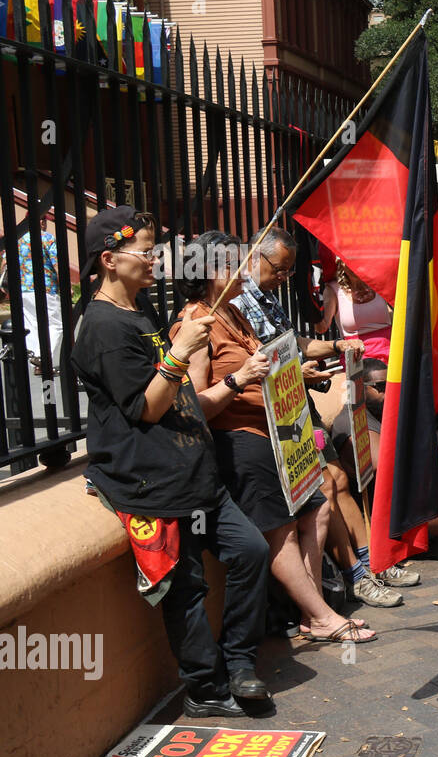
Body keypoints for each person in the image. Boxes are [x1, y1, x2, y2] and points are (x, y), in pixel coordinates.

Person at [71, 208, 272, 718]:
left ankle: (240, 661)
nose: (155, 259)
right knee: (185, 587)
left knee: (249, 550)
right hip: (151, 484)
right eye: (145, 251)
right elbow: (146, 406)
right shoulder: (101, 326)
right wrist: (180, 351)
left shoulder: (138, 312)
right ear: (110, 260)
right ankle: (206, 687)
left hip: (194, 474)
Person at [171, 232, 384, 641]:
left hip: (280, 432)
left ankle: (309, 606)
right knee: (280, 531)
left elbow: (274, 358)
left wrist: (293, 372)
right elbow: (195, 404)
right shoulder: (195, 324)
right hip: (241, 439)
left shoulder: (234, 313)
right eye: (233, 265)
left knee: (319, 509)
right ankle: (320, 615)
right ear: (211, 271)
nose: (242, 273)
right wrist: (238, 379)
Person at [5, 211, 64, 372]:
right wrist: (65, 285)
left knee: (32, 323)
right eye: (43, 219)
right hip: (46, 288)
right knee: (56, 324)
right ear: (39, 221)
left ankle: (36, 361)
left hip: (22, 289)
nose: (45, 223)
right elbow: (57, 264)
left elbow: (6, 263)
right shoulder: (47, 238)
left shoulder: (17, 239)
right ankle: (42, 358)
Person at [315, 257, 393, 363]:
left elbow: (395, 316)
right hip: (357, 358)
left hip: (390, 352)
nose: (355, 265)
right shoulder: (333, 290)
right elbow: (321, 328)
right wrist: (310, 305)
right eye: (350, 260)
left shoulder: (378, 281)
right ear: (340, 263)